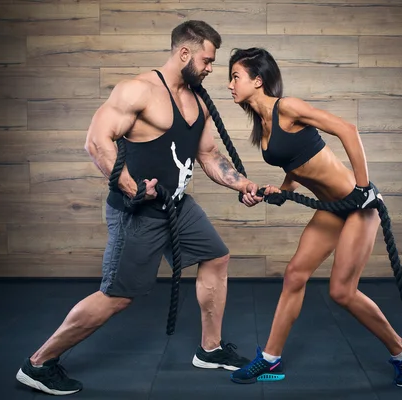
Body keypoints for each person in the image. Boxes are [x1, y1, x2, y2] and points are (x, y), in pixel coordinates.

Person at [15, 21, 264, 396]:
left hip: (177, 206)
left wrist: (241, 183)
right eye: (207, 60)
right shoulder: (139, 90)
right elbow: (97, 141)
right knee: (118, 295)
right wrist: (132, 189)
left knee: (216, 256)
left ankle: (209, 350)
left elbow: (208, 156)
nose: (211, 69)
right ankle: (38, 363)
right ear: (184, 53)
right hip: (139, 213)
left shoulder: (198, 101)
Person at [226, 48, 402, 388]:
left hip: (360, 206)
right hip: (331, 209)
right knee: (294, 275)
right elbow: (299, 165)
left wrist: (363, 187)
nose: (229, 85)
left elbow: (347, 129)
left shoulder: (287, 107)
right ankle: (270, 358)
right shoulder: (263, 124)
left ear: (257, 81)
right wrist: (281, 190)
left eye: (235, 77)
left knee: (342, 292)